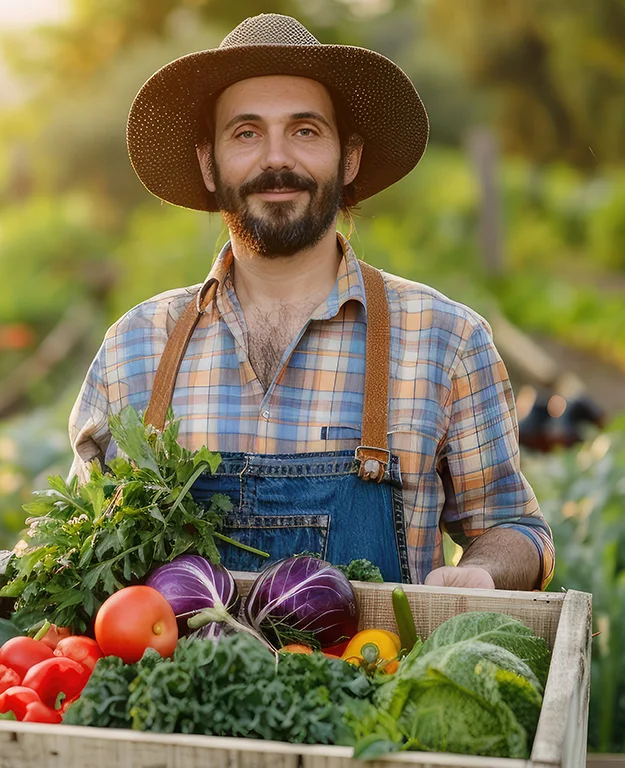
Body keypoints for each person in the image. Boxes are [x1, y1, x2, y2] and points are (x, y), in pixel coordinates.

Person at [69, 13, 554, 591]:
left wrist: (481, 571)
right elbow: (78, 545)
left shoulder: (446, 341)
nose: (277, 160)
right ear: (208, 162)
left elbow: (513, 526)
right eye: (246, 133)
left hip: (379, 677)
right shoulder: (135, 347)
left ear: (347, 158)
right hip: (173, 684)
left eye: (305, 131)